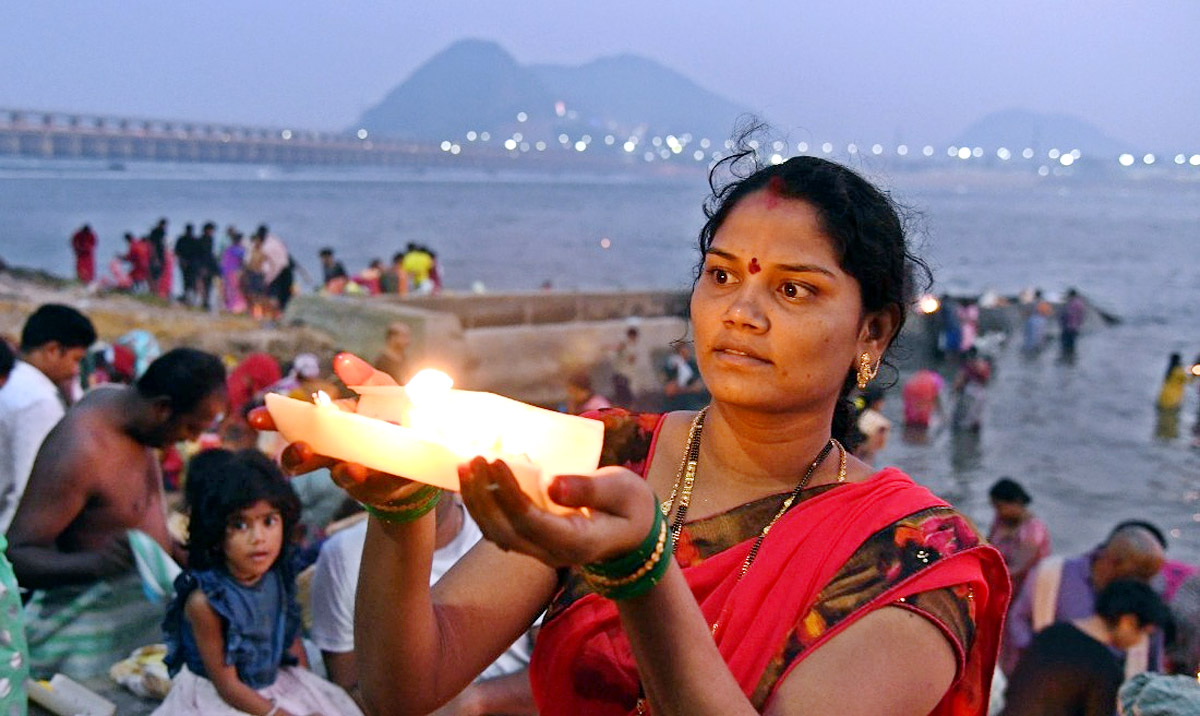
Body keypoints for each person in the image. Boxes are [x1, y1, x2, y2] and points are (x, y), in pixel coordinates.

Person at [253, 150, 1010, 714]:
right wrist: (401, 510)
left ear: (871, 334)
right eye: (720, 275)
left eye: (792, 288)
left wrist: (644, 574)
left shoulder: (915, 556)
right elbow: (403, 690)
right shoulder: (610, 454)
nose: (740, 311)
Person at [8, 348, 228, 679]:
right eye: (191, 428)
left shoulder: (133, 416)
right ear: (162, 409)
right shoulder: (82, 448)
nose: (192, 440)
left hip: (136, 635)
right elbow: (16, 555)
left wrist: (174, 553)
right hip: (82, 647)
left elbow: (134, 514)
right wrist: (94, 565)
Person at [156, 448, 362, 716]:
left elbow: (290, 640)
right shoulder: (205, 601)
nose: (259, 538)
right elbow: (227, 686)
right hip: (225, 699)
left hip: (276, 680)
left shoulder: (276, 577)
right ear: (216, 531)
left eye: (268, 521)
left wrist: (311, 693)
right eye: (240, 525)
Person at [309, 493, 537, 713]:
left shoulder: (513, 530)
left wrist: (476, 700)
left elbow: (556, 665)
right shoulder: (343, 555)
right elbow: (350, 690)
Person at [1001, 523, 1165, 677]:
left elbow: (1152, 664)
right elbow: (1018, 619)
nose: (1143, 585)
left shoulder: (1147, 597)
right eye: (1138, 576)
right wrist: (1039, 657)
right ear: (1113, 562)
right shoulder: (1052, 574)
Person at [1000, 580, 1169, 716]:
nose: (1140, 641)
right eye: (1145, 633)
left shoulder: (1052, 633)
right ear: (1128, 622)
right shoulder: (1106, 668)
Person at [0, 304, 96, 532]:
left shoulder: (14, 382)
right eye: (75, 359)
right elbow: (30, 489)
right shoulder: (39, 401)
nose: (75, 371)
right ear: (52, 351)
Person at [986, 478, 1051, 603]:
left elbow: (1019, 568)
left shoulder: (1033, 529)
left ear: (1017, 502)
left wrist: (989, 577)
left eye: (1000, 507)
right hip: (1000, 583)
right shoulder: (1000, 520)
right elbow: (987, 546)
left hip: (1025, 592)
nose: (997, 511)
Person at [251, 225, 295, 318]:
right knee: (285, 295)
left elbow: (258, 264)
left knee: (273, 296)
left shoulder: (266, 247)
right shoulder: (275, 240)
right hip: (287, 269)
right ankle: (284, 315)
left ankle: (275, 316)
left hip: (278, 272)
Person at [952, 346, 991, 432]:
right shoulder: (984, 365)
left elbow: (959, 381)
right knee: (976, 418)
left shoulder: (967, 365)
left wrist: (954, 391)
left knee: (962, 422)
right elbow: (986, 380)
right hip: (981, 393)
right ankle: (975, 440)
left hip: (969, 393)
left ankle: (962, 441)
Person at [662, 342, 708, 411]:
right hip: (679, 397)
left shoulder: (692, 364)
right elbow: (670, 389)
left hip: (694, 395)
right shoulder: (671, 365)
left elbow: (698, 385)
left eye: (687, 350)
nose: (686, 353)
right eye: (682, 351)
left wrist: (690, 388)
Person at [853, 385, 891, 465]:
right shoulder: (880, 423)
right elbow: (874, 448)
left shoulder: (853, 415)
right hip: (864, 464)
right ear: (877, 402)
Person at [219, 226, 247, 314]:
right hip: (235, 272)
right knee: (237, 289)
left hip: (226, 272)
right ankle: (237, 307)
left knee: (229, 290)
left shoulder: (228, 250)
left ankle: (230, 306)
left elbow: (223, 262)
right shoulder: (239, 250)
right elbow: (244, 261)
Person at [175, 223, 200, 305]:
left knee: (188, 281)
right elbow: (177, 252)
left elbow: (177, 252)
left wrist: (182, 261)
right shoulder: (191, 240)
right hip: (188, 264)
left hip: (190, 264)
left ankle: (189, 298)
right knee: (188, 281)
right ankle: (189, 298)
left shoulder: (184, 239)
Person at [1059, 288, 1087, 362]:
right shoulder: (1081, 304)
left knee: (1065, 344)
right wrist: (1079, 324)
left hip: (1068, 327)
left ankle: (1066, 359)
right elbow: (1082, 316)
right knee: (1072, 344)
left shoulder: (1070, 304)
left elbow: (1066, 315)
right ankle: (1071, 359)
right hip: (1075, 327)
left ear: (1071, 295)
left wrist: (1061, 322)